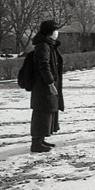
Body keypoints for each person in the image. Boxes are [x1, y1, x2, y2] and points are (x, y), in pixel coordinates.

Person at [29, 20, 64, 153]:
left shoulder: (48, 45)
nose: (57, 33)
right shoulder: (43, 45)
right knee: (42, 111)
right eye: (55, 30)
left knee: (47, 110)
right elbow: (44, 65)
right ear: (50, 32)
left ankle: (41, 139)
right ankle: (36, 143)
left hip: (45, 84)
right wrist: (50, 83)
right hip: (43, 85)